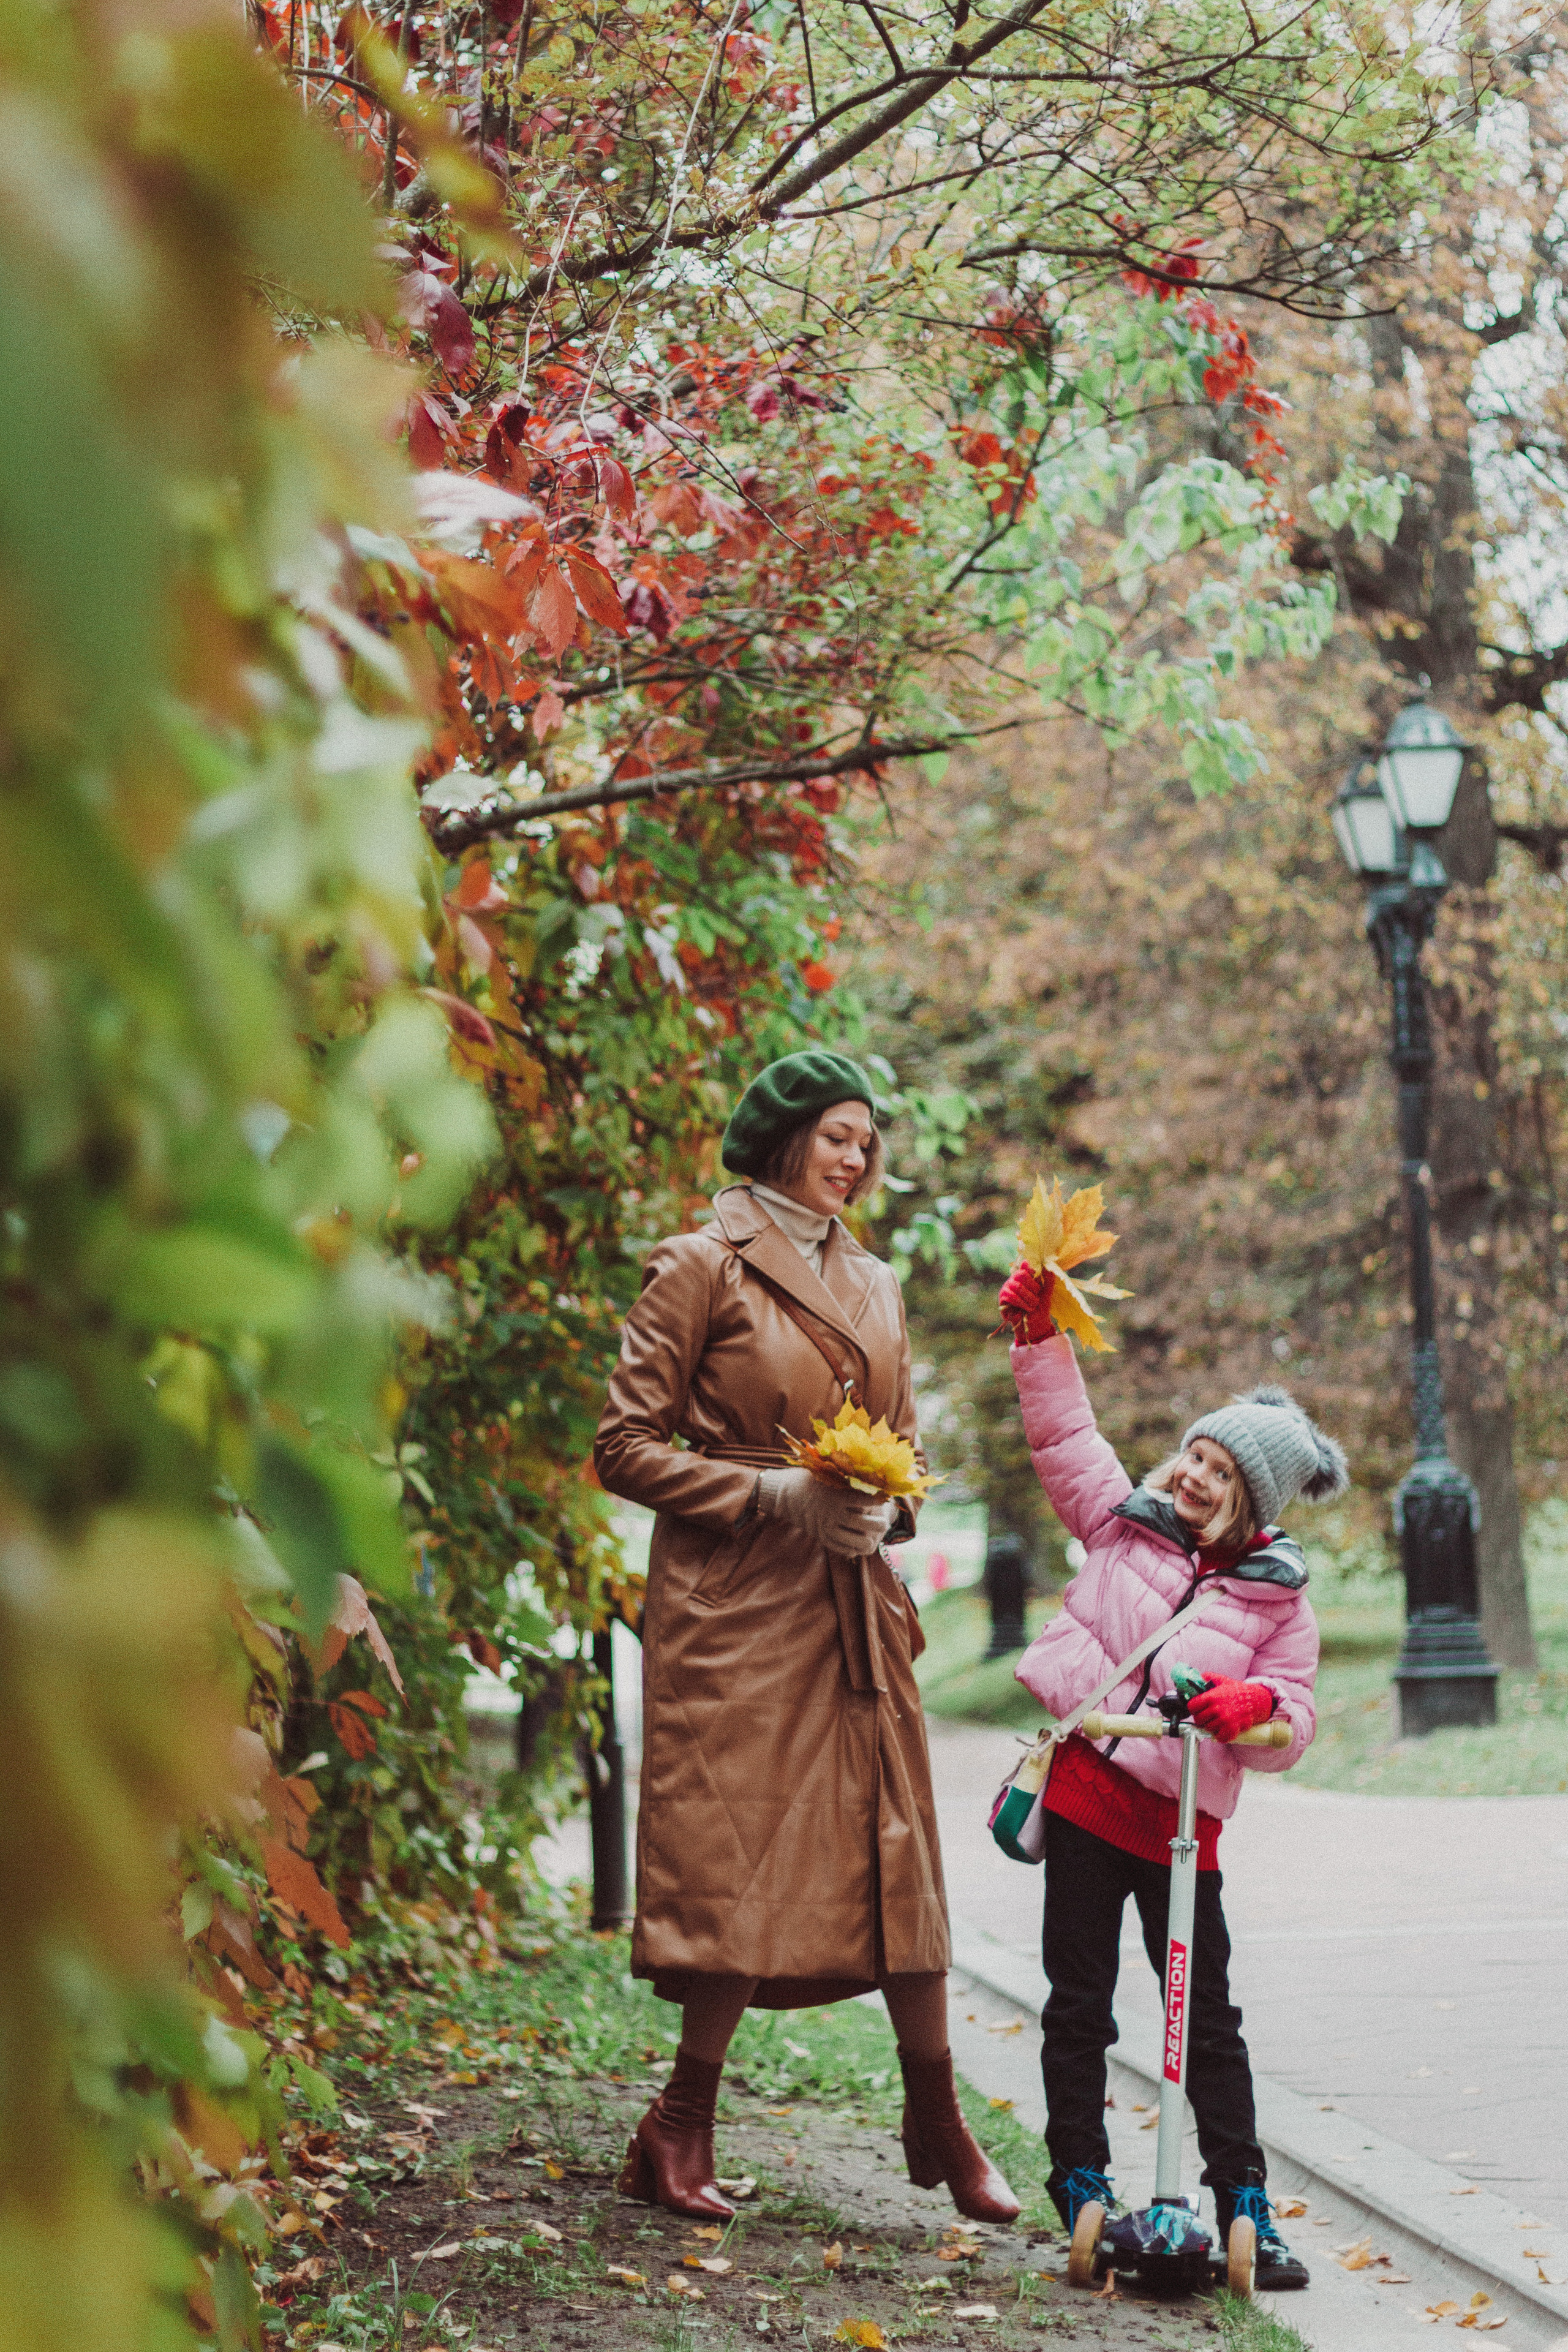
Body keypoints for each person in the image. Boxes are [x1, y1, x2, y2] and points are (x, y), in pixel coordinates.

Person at [594, 1050, 1018, 2226]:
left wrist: (890, 1509)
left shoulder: (875, 1280)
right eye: (839, 1133)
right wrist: (774, 1495)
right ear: (783, 1136)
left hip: (853, 1600)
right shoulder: (700, 1264)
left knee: (900, 1848)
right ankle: (680, 2122)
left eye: (868, 1141)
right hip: (736, 1607)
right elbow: (622, 1446)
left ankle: (937, 2117)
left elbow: (903, 1444)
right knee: (741, 1857)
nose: (858, 1156)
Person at [997, 1259, 1348, 2291]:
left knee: (1207, 2021)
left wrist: (1255, 1708)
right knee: (1080, 2004)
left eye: (1219, 1472)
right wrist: (1039, 1340)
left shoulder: (1280, 1602)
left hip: (1185, 1828)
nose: (1192, 1476)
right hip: (1088, 1800)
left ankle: (1243, 2201)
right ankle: (1081, 2178)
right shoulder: (1122, 1523)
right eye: (1194, 1454)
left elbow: (1295, 1718)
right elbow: (1068, 1438)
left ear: (1253, 1503)